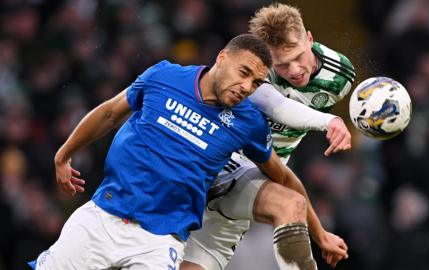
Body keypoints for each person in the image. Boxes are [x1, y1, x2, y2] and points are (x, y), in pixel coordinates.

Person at [28, 34, 300, 270]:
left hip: (159, 241)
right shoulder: (164, 75)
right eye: (244, 73)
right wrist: (63, 155)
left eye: (255, 83)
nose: (246, 87)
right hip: (104, 215)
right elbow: (110, 113)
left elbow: (282, 176)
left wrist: (319, 232)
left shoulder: (248, 121)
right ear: (222, 58)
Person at [181, 3, 355, 270]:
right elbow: (280, 108)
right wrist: (329, 121)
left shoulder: (340, 75)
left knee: (199, 262)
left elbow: (296, 128)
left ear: (309, 38)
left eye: (298, 57)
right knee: (291, 204)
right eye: (282, 65)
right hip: (218, 163)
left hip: (264, 170)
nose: (294, 70)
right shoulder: (256, 75)